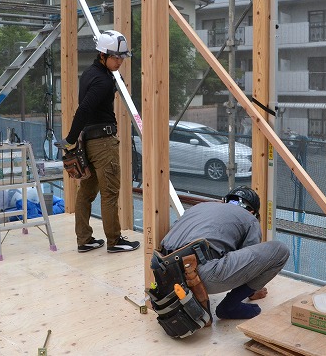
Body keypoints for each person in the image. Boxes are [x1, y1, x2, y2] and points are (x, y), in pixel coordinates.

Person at [60, 30, 140, 254]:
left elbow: (94, 102)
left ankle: (84, 240)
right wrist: (70, 139)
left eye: (122, 57)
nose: (121, 61)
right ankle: (114, 241)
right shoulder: (103, 81)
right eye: (117, 57)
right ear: (103, 55)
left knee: (86, 192)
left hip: (89, 142)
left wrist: (75, 139)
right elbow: (84, 109)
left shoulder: (90, 74)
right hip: (103, 143)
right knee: (110, 192)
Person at [159, 186, 290, 320]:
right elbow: (251, 263)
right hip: (200, 274)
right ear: (251, 211)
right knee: (280, 250)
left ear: (225, 201)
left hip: (164, 273)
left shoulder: (199, 207)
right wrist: (252, 291)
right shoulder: (249, 218)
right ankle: (230, 307)